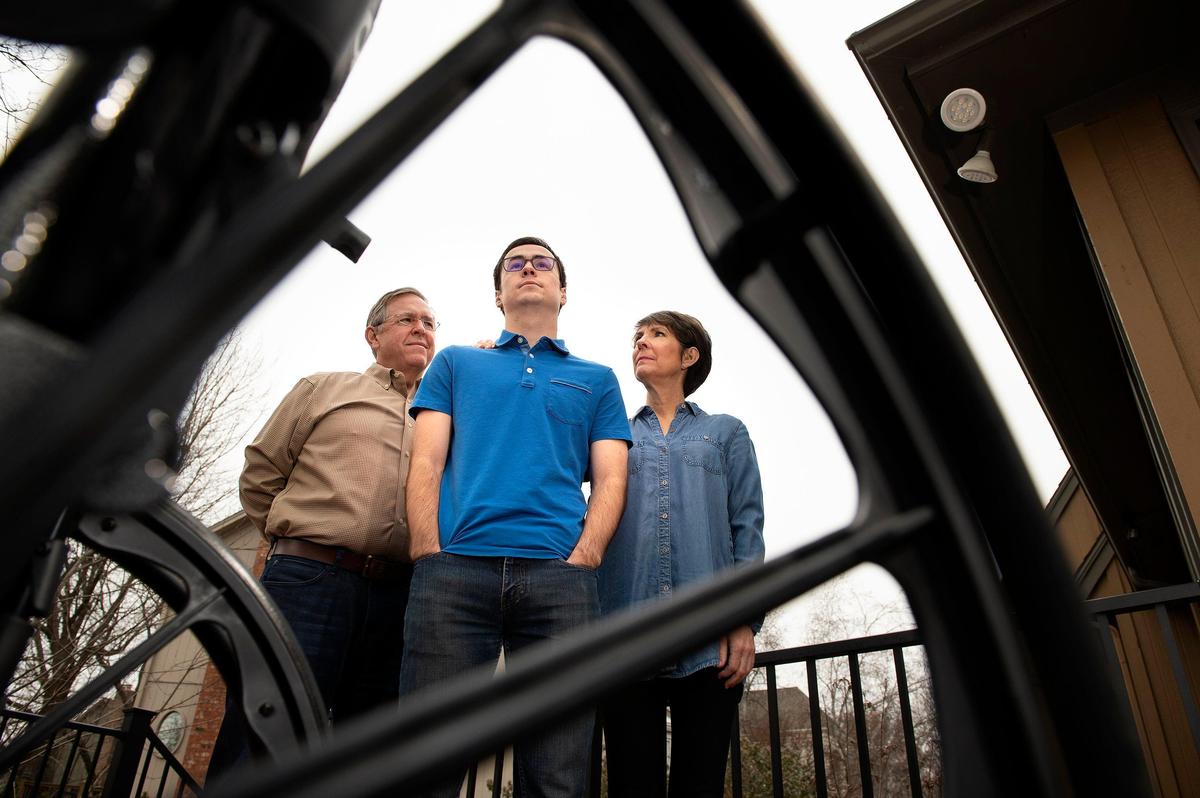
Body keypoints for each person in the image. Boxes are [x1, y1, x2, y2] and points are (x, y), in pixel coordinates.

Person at [400, 236, 631, 798]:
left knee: (556, 773)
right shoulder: (456, 361)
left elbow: (611, 478)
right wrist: (428, 548)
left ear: (563, 290)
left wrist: (588, 555)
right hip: (454, 573)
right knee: (426, 763)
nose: (528, 269)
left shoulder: (598, 379)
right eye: (515, 265)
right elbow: (426, 460)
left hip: (560, 580)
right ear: (499, 293)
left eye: (542, 263)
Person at [208, 286, 437, 772]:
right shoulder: (324, 388)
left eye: (430, 323)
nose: (422, 329)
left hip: (397, 594)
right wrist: (299, 538)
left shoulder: (437, 417)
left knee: (366, 747)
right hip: (308, 582)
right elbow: (261, 474)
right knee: (269, 731)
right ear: (372, 335)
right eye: (408, 320)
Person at [597, 310, 765, 798]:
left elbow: (747, 527)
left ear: (689, 356)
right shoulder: (614, 436)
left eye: (656, 334)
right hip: (624, 634)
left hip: (710, 639)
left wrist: (743, 620)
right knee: (632, 784)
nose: (641, 343)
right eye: (637, 337)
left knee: (701, 782)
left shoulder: (725, 432)